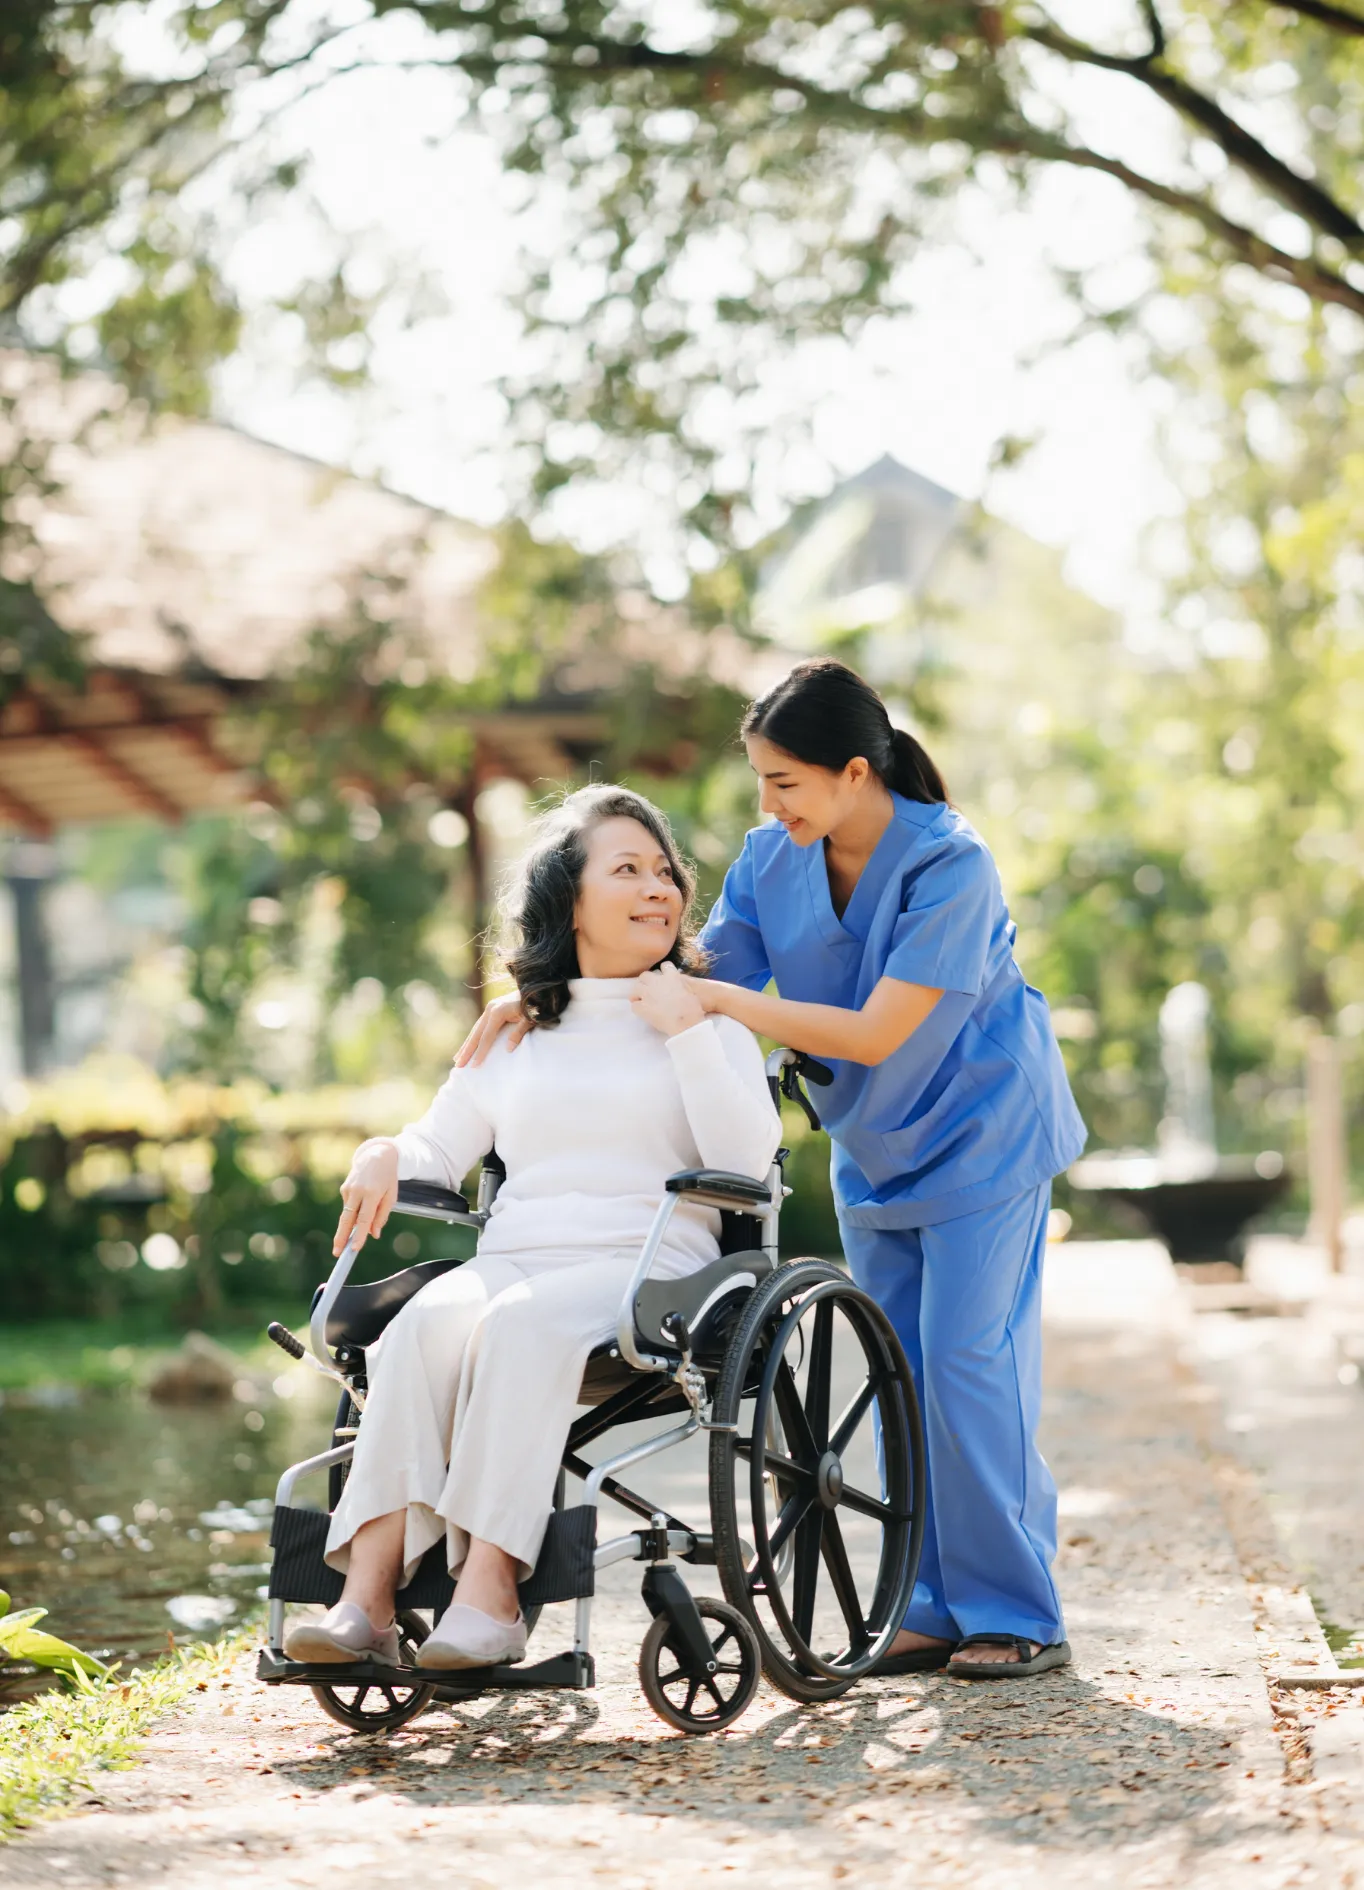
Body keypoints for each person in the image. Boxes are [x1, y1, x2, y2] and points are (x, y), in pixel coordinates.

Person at [459, 661, 1086, 1680]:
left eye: (782, 781)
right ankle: (927, 1604)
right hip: (874, 1149)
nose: (765, 804)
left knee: (969, 1367)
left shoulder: (949, 866)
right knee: (900, 1383)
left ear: (850, 772)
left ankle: (1014, 1609)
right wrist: (545, 995)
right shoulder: (771, 857)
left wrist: (725, 1009)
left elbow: (877, 1029)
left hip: (985, 1138)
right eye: (759, 780)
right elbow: (697, 975)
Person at [285, 786, 780, 1672]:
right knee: (421, 1326)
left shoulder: (711, 1017)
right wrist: (381, 1150)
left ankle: (493, 1594)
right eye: (627, 869)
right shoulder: (517, 1033)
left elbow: (747, 1162)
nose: (659, 888)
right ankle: (367, 1599)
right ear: (570, 900)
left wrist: (687, 1030)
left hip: (653, 1269)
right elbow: (436, 1146)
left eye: (665, 871)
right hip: (516, 1258)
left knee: (518, 1325)